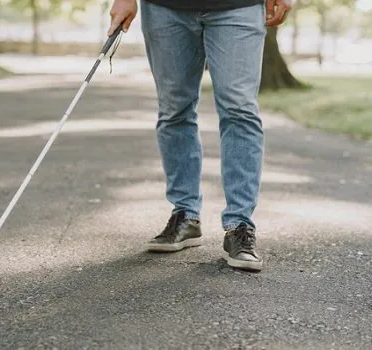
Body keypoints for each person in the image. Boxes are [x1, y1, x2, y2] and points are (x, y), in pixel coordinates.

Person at [107, 0, 292, 272]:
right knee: (174, 110)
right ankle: (185, 214)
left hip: (239, 6)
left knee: (240, 109)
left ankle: (239, 225)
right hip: (163, 8)